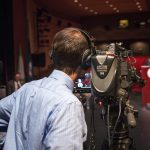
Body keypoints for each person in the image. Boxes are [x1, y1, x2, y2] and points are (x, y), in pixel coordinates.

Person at [0, 27, 89, 150]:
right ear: (86, 60)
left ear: (52, 55)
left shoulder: (27, 89)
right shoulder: (68, 104)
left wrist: (8, 142)